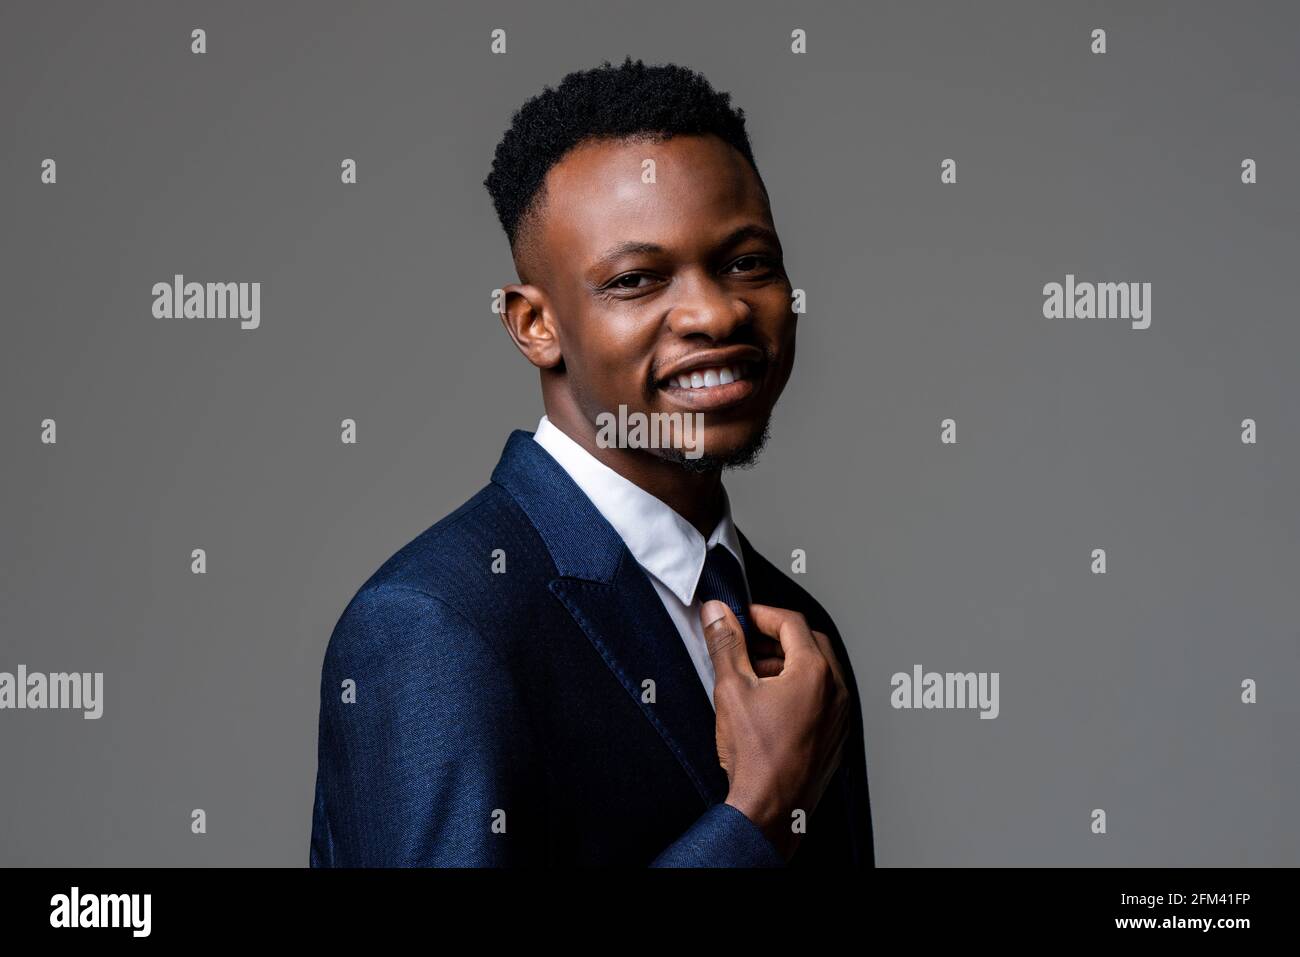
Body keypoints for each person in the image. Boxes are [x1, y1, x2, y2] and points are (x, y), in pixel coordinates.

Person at [310, 57, 873, 867]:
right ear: (535, 324)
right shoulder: (434, 624)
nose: (717, 312)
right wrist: (759, 818)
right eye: (637, 279)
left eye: (747, 262)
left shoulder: (797, 630)